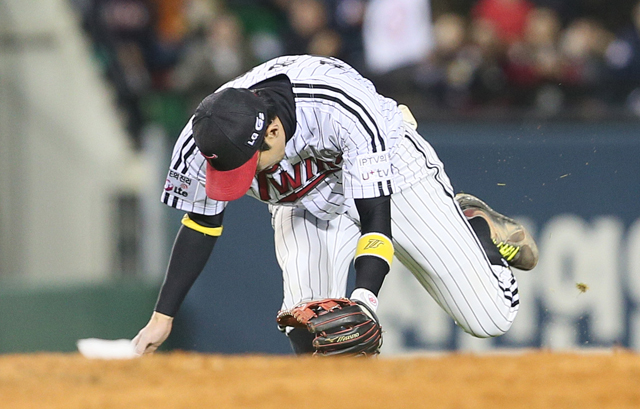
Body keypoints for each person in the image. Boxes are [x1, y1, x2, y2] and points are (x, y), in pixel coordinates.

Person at [132, 54, 538, 355]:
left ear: (273, 131)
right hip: (305, 205)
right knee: (314, 333)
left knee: (489, 318)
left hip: (390, 170)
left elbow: (376, 218)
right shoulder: (205, 139)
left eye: (246, 165)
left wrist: (365, 298)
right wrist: (162, 316)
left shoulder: (337, 106)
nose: (241, 178)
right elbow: (202, 224)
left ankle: (476, 225)